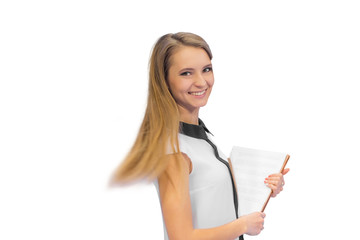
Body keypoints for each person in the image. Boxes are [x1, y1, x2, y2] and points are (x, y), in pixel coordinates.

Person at [111, 32, 290, 240]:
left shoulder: (202, 137)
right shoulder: (174, 151)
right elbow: (182, 237)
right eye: (186, 73)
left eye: (206, 70)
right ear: (164, 80)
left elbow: (214, 194)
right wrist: (243, 225)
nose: (201, 82)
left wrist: (265, 185)